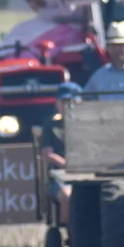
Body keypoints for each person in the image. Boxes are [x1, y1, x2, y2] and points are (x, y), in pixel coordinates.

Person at [40, 81, 81, 221]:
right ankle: (70, 232)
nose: (67, 105)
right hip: (61, 176)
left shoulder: (89, 124)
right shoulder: (50, 126)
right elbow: (48, 155)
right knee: (67, 195)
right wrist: (68, 165)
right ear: (56, 103)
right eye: (63, 101)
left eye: (71, 101)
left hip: (87, 173)